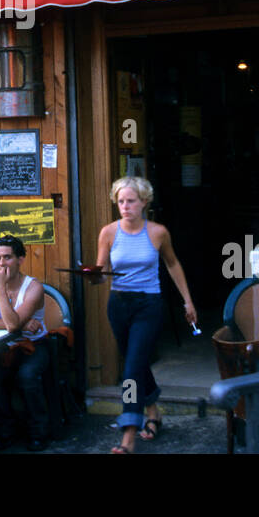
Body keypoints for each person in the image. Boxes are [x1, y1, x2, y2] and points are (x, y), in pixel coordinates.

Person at [92, 176, 197, 454]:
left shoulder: (158, 232)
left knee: (130, 371)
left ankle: (128, 435)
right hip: (119, 304)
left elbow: (173, 265)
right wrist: (93, 276)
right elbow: (102, 273)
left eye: (131, 201)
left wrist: (188, 301)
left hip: (148, 305)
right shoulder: (108, 232)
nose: (125, 207)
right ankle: (154, 413)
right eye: (121, 201)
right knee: (135, 364)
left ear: (144, 202)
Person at [0, 235, 52, 451]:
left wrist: (1, 291)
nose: (1, 264)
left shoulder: (33, 287)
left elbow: (13, 325)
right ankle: (5, 430)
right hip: (4, 345)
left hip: (34, 344)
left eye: (7, 257)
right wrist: (17, 325)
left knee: (27, 376)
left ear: (21, 260)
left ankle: (39, 431)